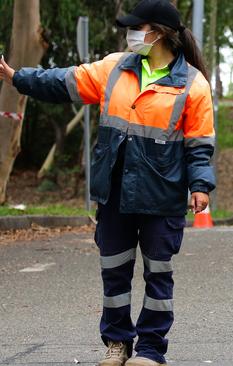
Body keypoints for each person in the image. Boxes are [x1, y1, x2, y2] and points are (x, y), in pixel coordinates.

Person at [0, 0, 216, 365]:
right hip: (114, 193)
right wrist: (17, 76)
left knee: (158, 276)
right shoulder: (115, 68)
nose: (131, 35)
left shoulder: (193, 85)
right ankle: (118, 344)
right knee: (114, 275)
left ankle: (150, 349)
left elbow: (200, 145)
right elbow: (64, 80)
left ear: (159, 32)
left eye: (138, 27)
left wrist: (200, 186)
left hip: (161, 197)